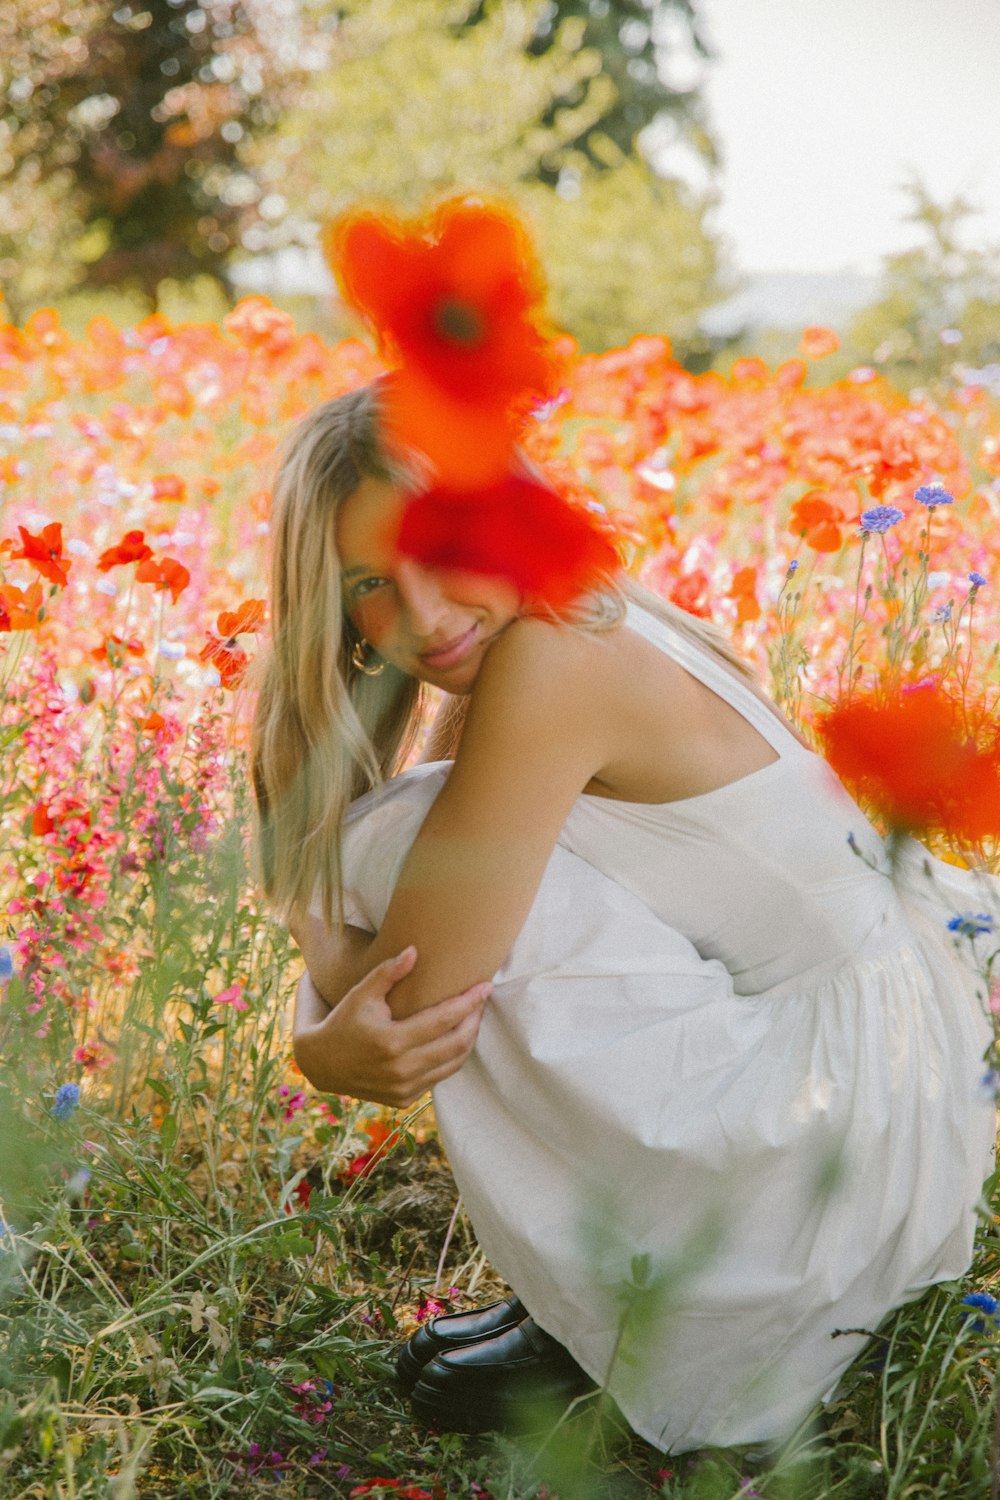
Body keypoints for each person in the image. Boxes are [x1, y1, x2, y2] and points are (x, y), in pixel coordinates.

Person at [250, 383, 997, 1453]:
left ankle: (669, 1303)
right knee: (429, 842)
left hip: (832, 1160)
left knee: (389, 841)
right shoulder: (563, 610)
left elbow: (411, 998)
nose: (420, 615)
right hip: (887, 1087)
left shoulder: (558, 656)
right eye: (369, 583)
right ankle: (614, 1285)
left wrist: (313, 981)